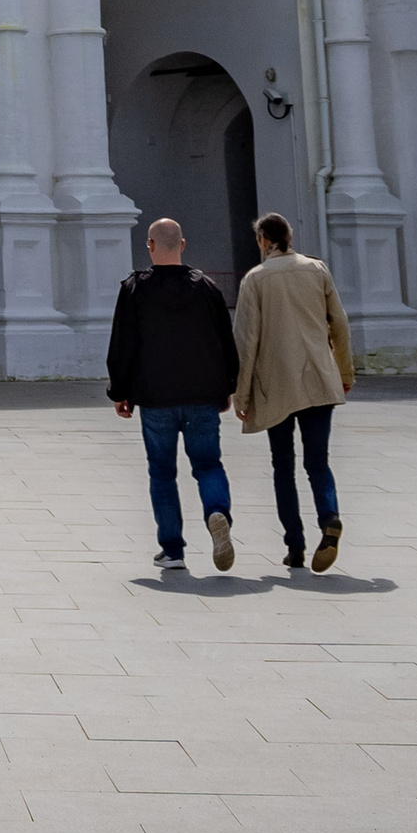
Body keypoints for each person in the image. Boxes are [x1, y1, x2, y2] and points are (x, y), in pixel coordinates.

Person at [107, 215, 239, 571]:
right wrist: (228, 386)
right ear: (182, 245)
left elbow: (123, 344)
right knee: (209, 465)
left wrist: (119, 391)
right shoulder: (207, 288)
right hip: (201, 396)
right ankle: (216, 512)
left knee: (162, 473)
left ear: (149, 246)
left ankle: (173, 550)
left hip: (155, 397)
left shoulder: (135, 289)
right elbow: (226, 342)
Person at [233, 210, 354, 571]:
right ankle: (329, 516)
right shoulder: (317, 269)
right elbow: (340, 323)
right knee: (318, 462)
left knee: (282, 466)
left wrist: (242, 395)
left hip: (277, 385)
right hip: (319, 379)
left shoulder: (255, 279)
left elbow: (247, 340)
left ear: (262, 241)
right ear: (289, 237)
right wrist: (344, 371)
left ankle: (295, 546)